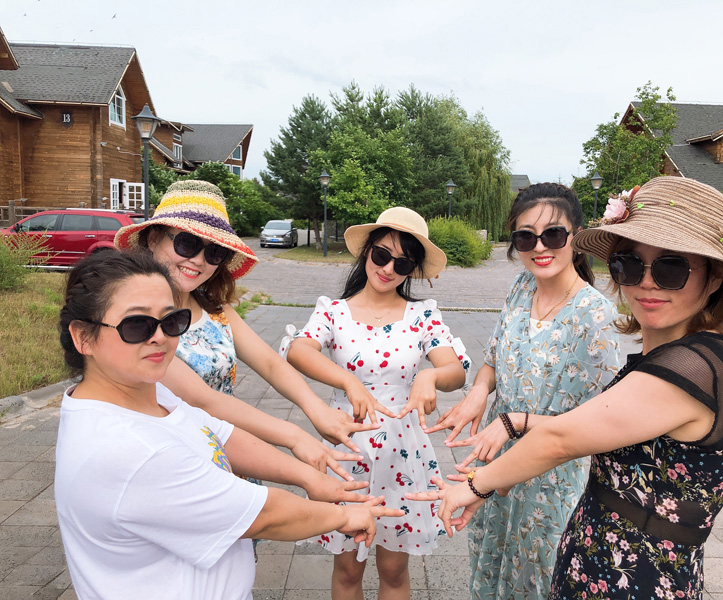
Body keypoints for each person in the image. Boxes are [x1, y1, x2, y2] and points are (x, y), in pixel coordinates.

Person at [409, 176, 723, 600]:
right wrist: (501, 415)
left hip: (635, 579)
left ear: (714, 277)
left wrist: (474, 484)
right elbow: (600, 428)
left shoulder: (694, 366)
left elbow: (562, 439)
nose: (646, 282)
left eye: (671, 267)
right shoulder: (674, 356)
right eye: (629, 264)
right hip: (598, 560)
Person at [54, 250, 405, 600]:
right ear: (83, 337)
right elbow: (265, 515)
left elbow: (218, 433)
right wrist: (344, 517)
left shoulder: (145, 392)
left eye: (172, 320)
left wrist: (309, 476)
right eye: (137, 325)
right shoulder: (132, 452)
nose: (159, 336)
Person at [115, 180, 375, 497]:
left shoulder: (213, 307)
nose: (198, 260)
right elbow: (202, 400)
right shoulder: (137, 320)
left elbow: (269, 362)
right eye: (187, 243)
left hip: (232, 454)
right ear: (153, 238)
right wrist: (295, 437)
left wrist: (316, 407)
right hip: (175, 466)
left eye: (214, 252)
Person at [426, 182, 621, 599]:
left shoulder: (596, 315)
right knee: (490, 563)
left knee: (537, 578)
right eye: (526, 237)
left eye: (553, 234)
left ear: (576, 237)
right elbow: (493, 359)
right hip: (495, 460)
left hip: (551, 476)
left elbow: (601, 423)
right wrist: (478, 393)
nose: (540, 247)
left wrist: (516, 423)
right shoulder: (521, 288)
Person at [282, 206, 470, 600]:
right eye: (381, 255)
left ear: (412, 270)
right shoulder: (334, 311)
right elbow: (298, 350)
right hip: (349, 449)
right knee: (348, 568)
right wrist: (347, 381)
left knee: (394, 569)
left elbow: (455, 370)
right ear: (367, 250)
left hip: (402, 452)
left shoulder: (422, 315)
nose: (387, 269)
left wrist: (429, 376)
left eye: (402, 263)